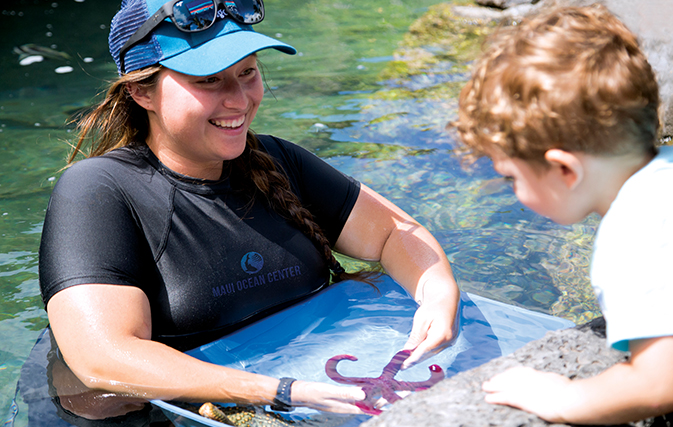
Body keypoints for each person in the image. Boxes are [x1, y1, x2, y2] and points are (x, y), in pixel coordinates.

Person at [36, 0, 460, 422]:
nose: (238, 99)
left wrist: (437, 298)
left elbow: (395, 233)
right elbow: (101, 359)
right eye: (208, 80)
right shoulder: (98, 189)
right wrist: (276, 392)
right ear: (140, 91)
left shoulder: (277, 160)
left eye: (247, 72)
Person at [454, 4, 673, 425]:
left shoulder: (632, 232)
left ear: (564, 169)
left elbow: (657, 382)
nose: (514, 193)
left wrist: (567, 396)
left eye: (510, 177)